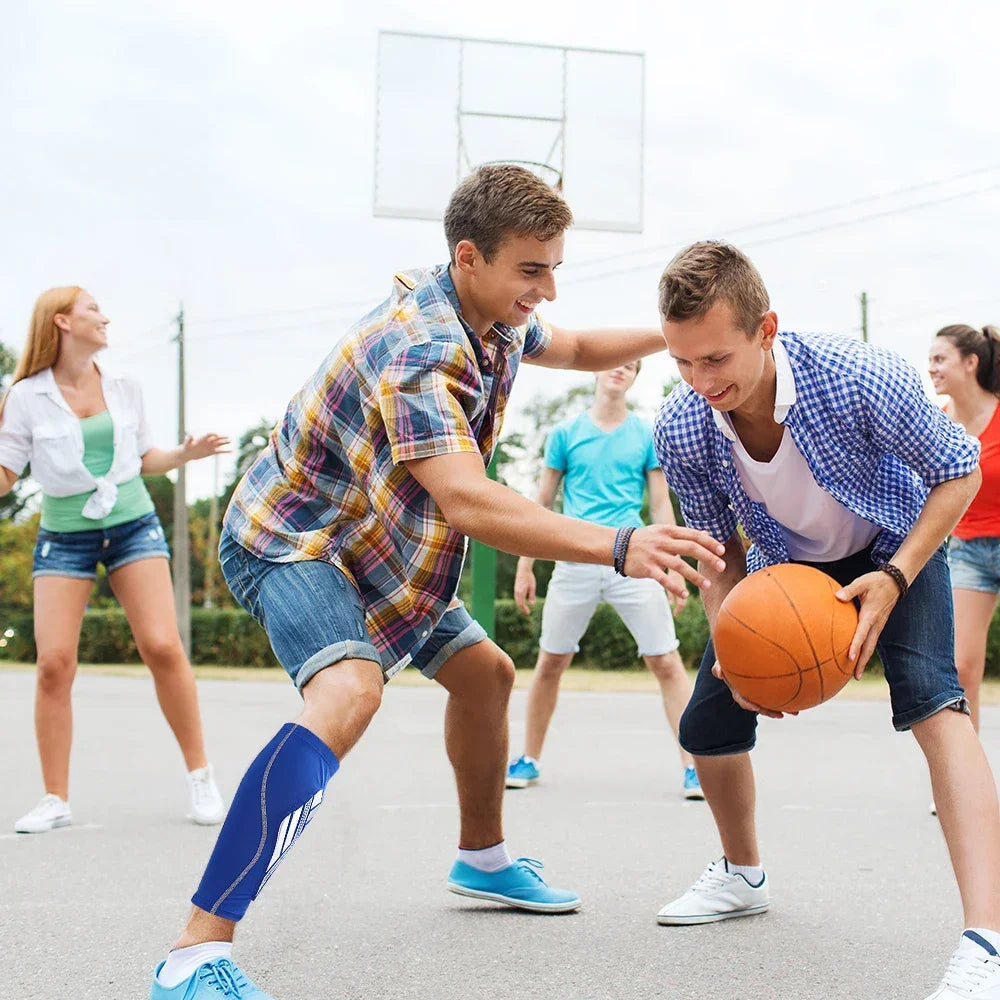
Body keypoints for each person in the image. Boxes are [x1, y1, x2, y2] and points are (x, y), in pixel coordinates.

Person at [147, 165, 728, 1000]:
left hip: (383, 546)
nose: (549, 288)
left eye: (555, 266)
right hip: (298, 541)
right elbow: (465, 499)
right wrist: (618, 543)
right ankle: (193, 951)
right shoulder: (423, 347)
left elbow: (575, 347)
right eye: (533, 269)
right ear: (469, 258)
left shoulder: (490, 315)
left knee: (486, 676)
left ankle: (482, 859)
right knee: (349, 693)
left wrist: (675, 339)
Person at [651, 241, 1000, 1000]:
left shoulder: (857, 376)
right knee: (705, 726)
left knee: (939, 709)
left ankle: (988, 942)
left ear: (766, 328)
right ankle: (743, 875)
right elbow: (721, 553)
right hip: (786, 574)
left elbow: (960, 469)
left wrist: (897, 575)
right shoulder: (681, 426)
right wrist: (734, 644)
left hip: (895, 545)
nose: (700, 382)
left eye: (716, 359)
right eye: (682, 364)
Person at [0, 287, 228, 834]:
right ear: (61, 322)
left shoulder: (124, 387)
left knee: (162, 646)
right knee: (54, 663)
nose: (104, 317)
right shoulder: (26, 396)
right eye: (92, 310)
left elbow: (146, 458)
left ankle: (201, 777)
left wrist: (185, 454)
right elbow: (8, 472)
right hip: (65, 535)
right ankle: (55, 797)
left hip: (132, 525)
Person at [507, 360, 703, 799]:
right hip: (575, 557)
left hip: (633, 557)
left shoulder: (646, 436)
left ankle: (695, 766)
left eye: (631, 366)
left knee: (666, 663)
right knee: (550, 663)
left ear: (635, 378)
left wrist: (670, 564)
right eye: (614, 363)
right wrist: (525, 564)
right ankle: (529, 758)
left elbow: (659, 506)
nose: (620, 370)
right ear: (597, 372)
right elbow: (540, 505)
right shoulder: (565, 434)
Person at [928, 324, 1000, 733]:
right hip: (968, 550)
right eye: (931, 360)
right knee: (960, 667)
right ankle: (967, 790)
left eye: (941, 359)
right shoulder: (939, 424)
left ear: (971, 363)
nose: (932, 368)